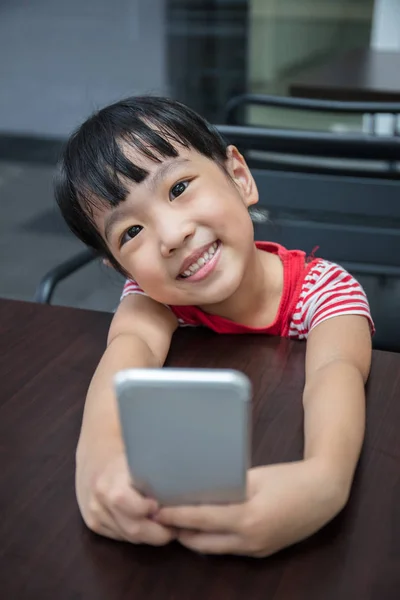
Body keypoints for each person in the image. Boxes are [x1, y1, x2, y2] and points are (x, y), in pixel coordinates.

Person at [56, 96, 373, 557]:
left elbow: (335, 373)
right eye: (131, 232)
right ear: (122, 269)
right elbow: (125, 356)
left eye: (179, 188)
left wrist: (324, 481)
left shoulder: (326, 291)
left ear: (239, 178)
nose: (171, 235)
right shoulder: (153, 300)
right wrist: (94, 466)